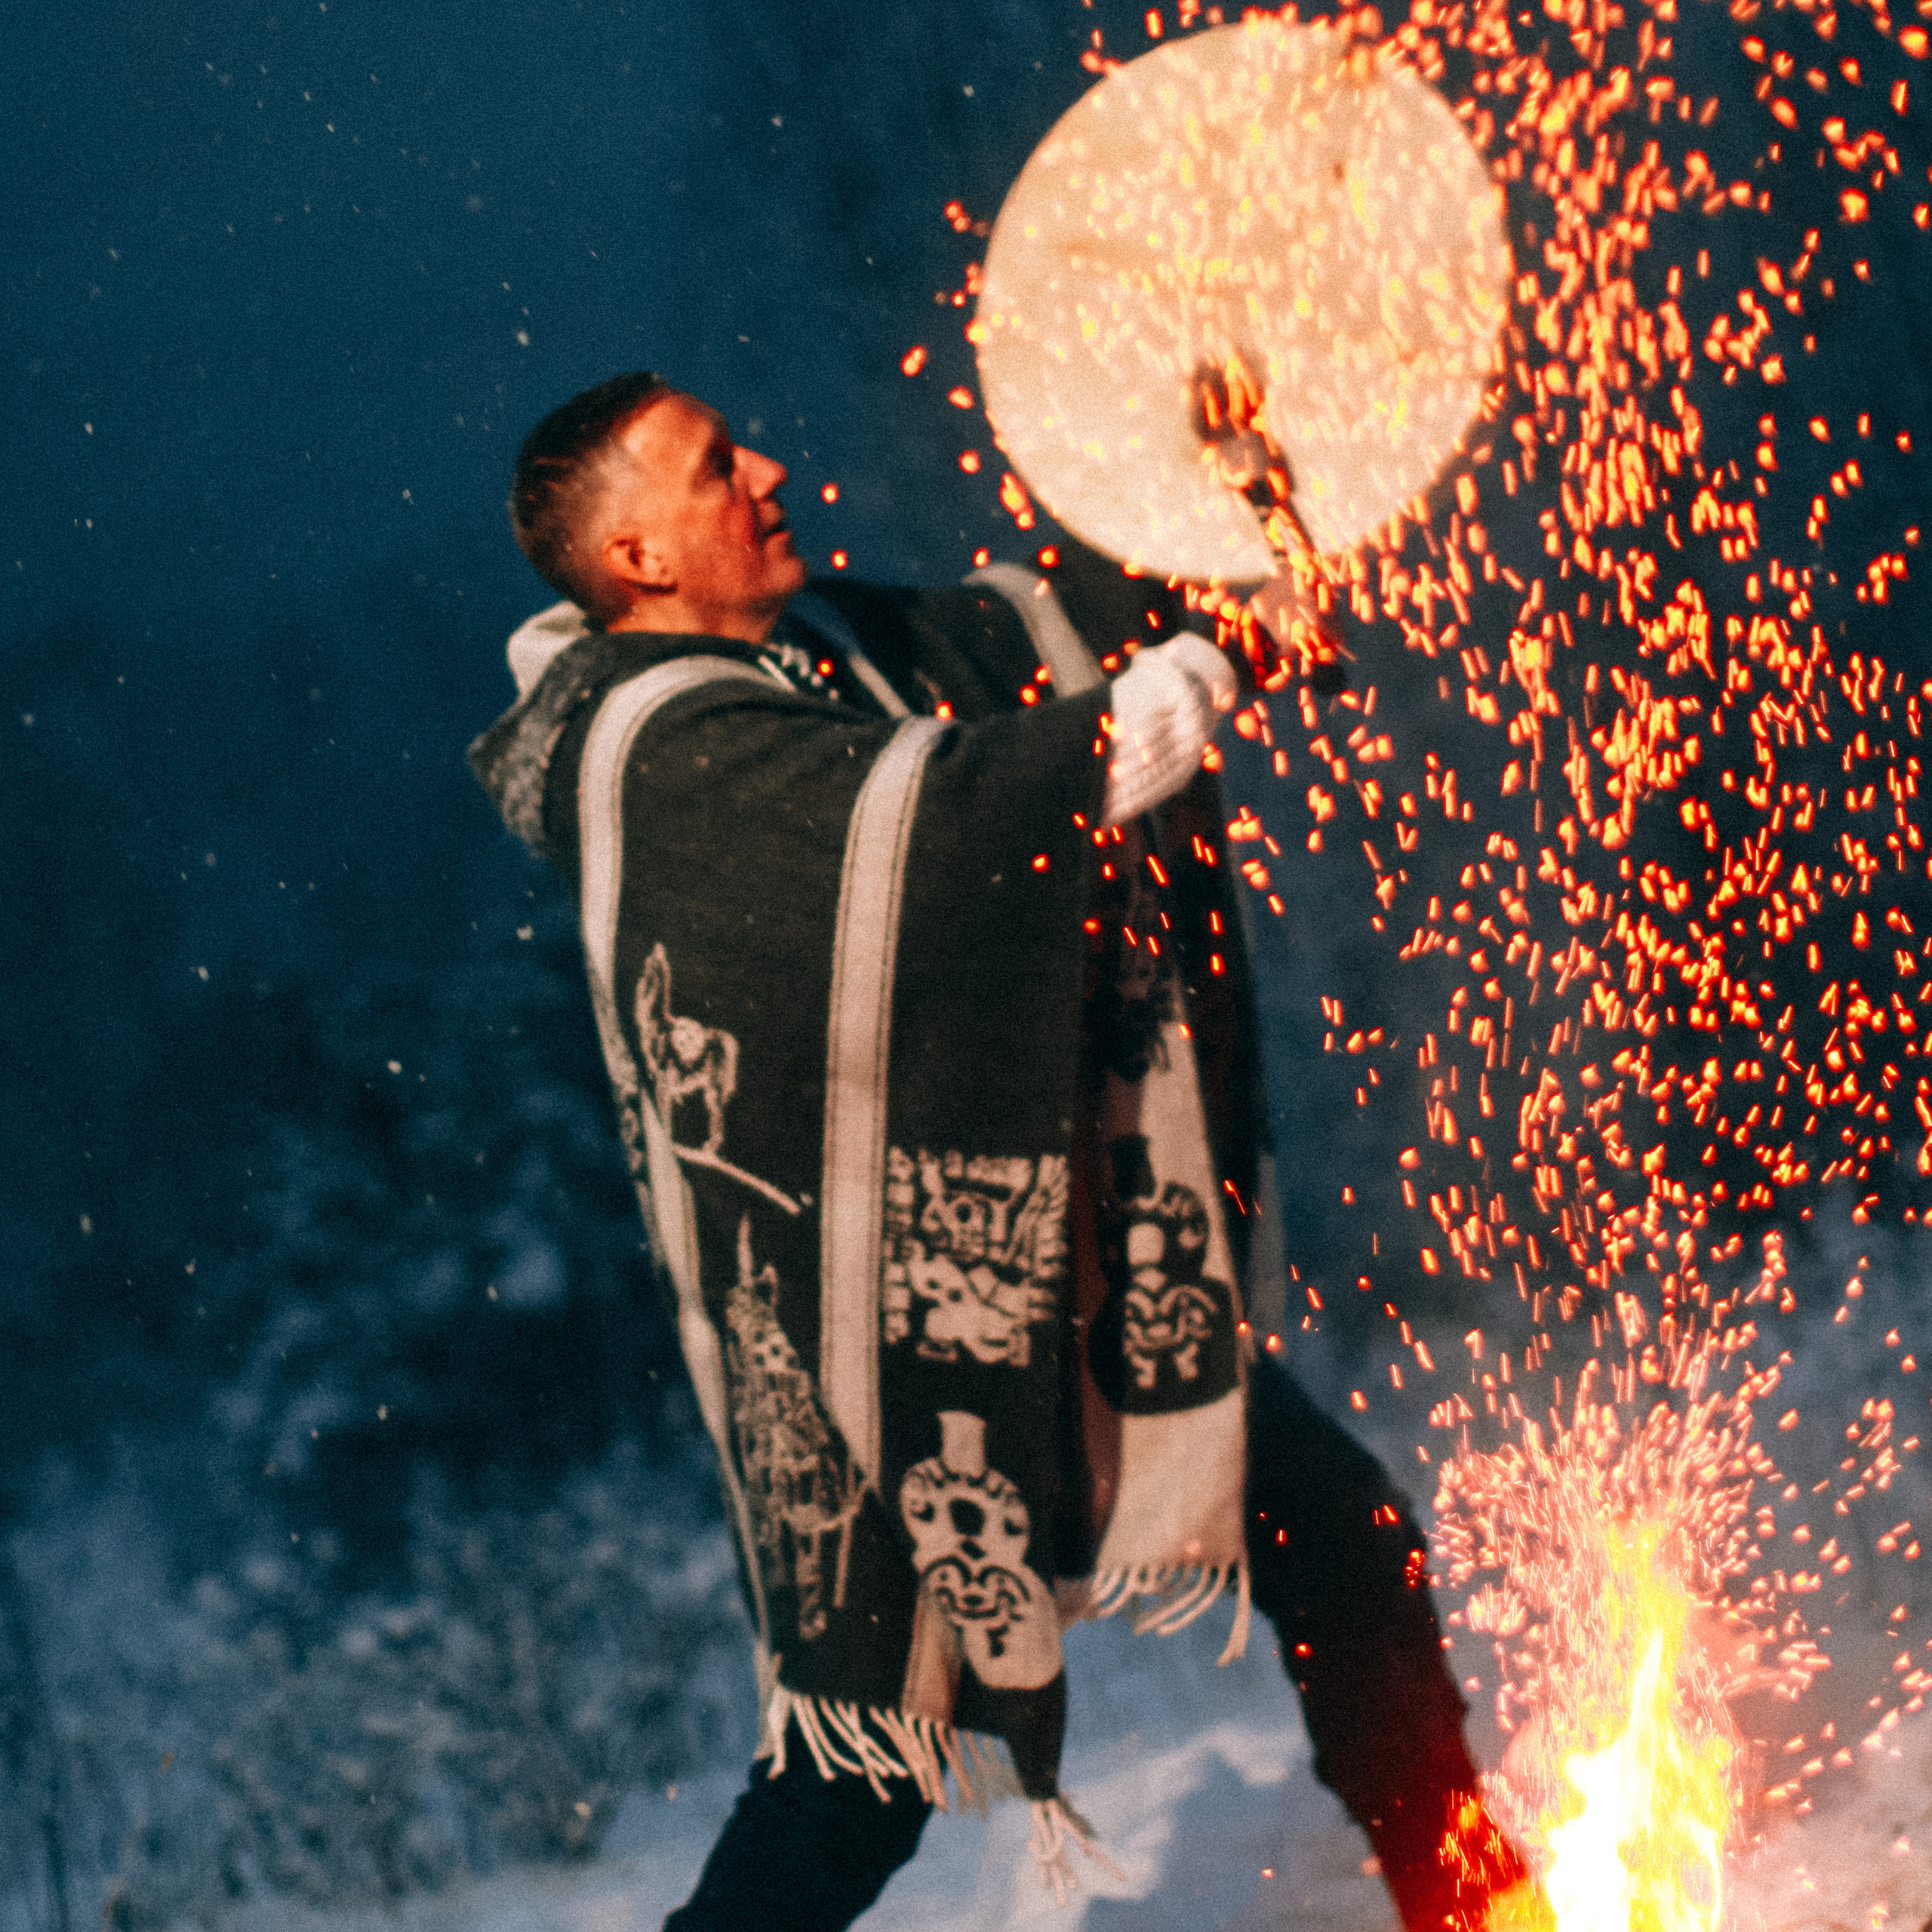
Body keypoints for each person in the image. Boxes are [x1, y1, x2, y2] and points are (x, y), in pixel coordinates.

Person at [469, 371, 1532, 1932]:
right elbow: (971, 813)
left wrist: (1240, 470)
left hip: (1068, 1277)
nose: (764, 459)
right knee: (867, 1766)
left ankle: (1479, 1908)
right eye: (713, 463)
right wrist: (1180, 683)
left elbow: (1057, 619)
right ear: (635, 555)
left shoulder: (819, 653)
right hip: (883, 1357)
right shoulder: (659, 744)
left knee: (1341, 1542)